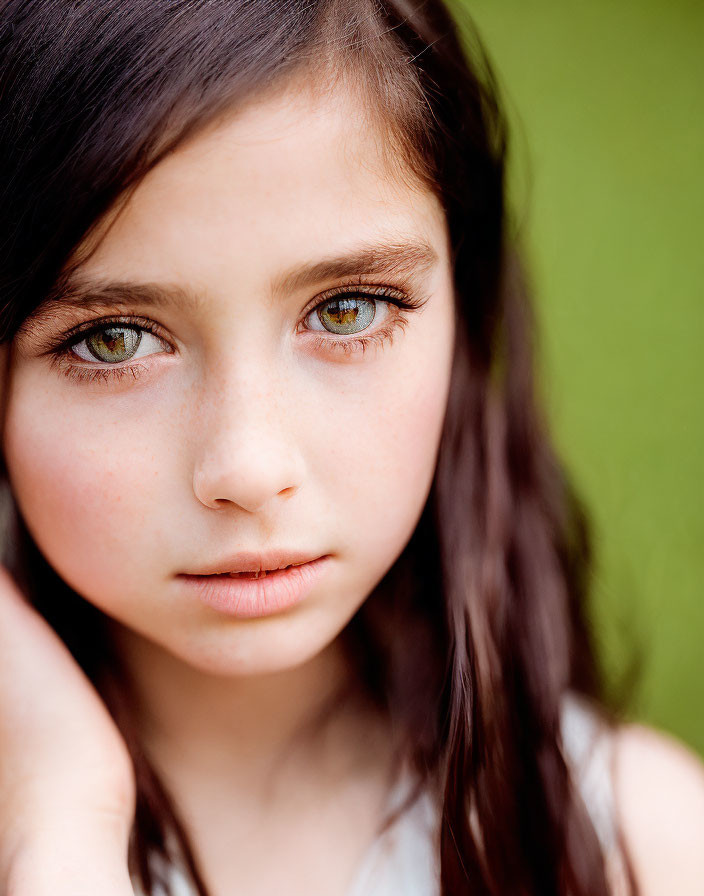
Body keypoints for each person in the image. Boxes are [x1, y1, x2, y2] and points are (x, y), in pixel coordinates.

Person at [0, 1, 702, 894]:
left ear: (464, 312)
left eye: (346, 310)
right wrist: (58, 824)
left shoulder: (638, 847)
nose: (250, 470)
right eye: (113, 339)